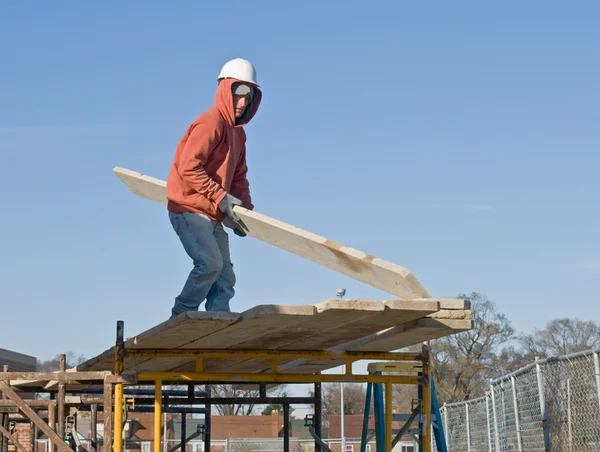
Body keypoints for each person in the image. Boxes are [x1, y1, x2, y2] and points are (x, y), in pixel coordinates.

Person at [165, 58, 262, 317]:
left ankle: (216, 325)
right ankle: (181, 318)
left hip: (213, 212)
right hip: (188, 208)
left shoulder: (238, 134)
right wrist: (220, 196)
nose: (243, 101)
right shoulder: (211, 122)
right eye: (239, 93)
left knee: (225, 277)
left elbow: (239, 177)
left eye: (249, 95)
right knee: (209, 264)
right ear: (225, 89)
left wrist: (245, 212)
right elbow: (188, 167)